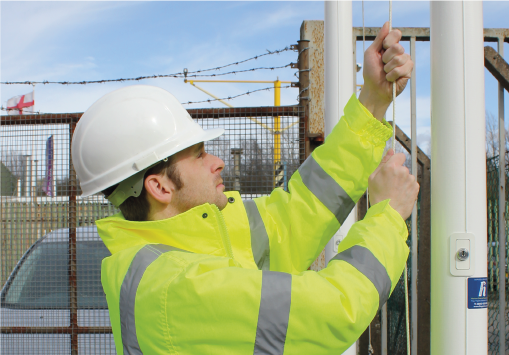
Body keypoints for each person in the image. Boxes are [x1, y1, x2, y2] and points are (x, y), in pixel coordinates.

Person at [71, 22, 417, 355]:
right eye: (199, 154)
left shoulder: (198, 241)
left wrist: (372, 102)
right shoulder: (172, 289)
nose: (217, 161)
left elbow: (301, 211)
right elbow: (333, 310)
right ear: (159, 186)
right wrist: (387, 216)